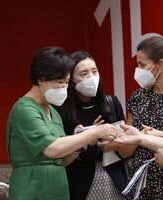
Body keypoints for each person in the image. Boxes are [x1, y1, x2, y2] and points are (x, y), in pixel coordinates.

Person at [6, 47, 118, 200]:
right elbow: (52, 148)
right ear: (42, 79)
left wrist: (80, 143)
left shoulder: (53, 111)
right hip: (32, 191)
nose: (64, 87)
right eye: (60, 82)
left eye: (66, 82)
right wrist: (94, 132)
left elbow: (61, 159)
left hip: (58, 192)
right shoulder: (25, 110)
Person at [56, 51, 126, 200]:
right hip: (79, 183)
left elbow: (127, 147)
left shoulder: (111, 103)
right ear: (71, 80)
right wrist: (88, 140)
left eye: (94, 71)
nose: (91, 78)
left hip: (114, 179)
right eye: (84, 74)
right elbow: (61, 155)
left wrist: (116, 143)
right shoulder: (62, 111)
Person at [122, 35, 163, 199]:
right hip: (140, 182)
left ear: (160, 64)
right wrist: (119, 140)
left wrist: (145, 137)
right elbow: (126, 151)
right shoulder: (137, 97)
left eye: (142, 65)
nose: (138, 70)